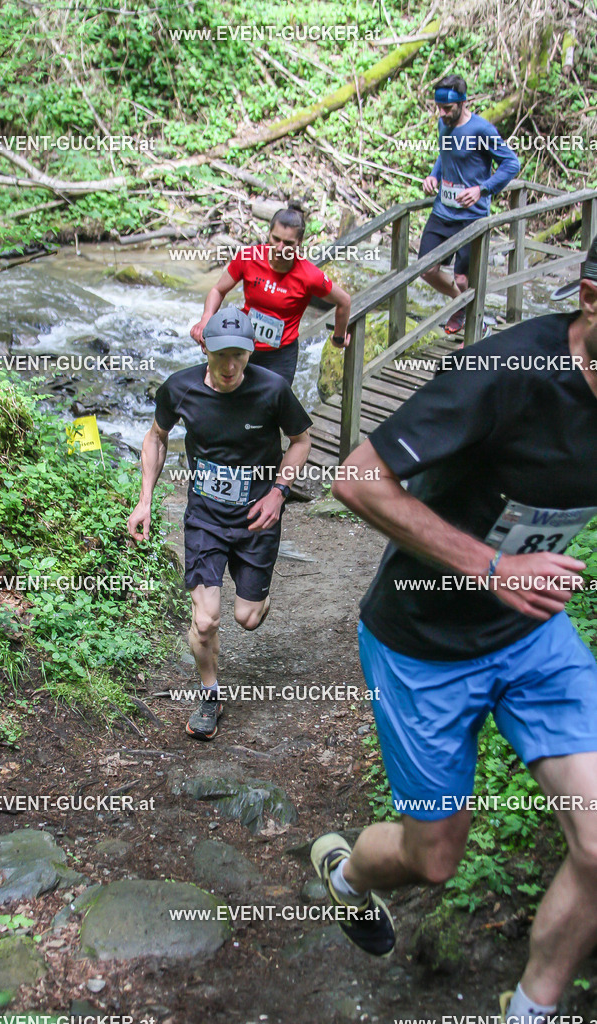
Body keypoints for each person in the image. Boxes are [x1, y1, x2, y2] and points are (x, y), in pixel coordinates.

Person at [311, 236, 597, 1023]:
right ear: (589, 299)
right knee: (431, 858)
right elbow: (356, 477)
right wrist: (493, 568)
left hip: (535, 639)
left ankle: (528, 1011)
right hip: (423, 645)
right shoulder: (504, 371)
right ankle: (346, 875)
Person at [127, 306, 312, 740]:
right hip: (206, 518)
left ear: (251, 353)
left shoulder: (273, 389)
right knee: (206, 621)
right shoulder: (180, 388)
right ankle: (210, 695)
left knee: (247, 617)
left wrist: (279, 492)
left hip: (257, 518)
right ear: (204, 348)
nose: (230, 366)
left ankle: (257, 598)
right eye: (221, 355)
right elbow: (156, 437)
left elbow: (301, 440)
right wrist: (144, 500)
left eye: (240, 355)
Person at [190, 203, 352, 384]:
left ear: (299, 242)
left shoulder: (310, 275)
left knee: (274, 400)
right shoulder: (248, 258)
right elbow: (218, 290)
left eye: (288, 243)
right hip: (242, 345)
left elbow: (344, 301)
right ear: (269, 234)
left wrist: (339, 337)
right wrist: (206, 318)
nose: (280, 248)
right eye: (276, 239)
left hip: (280, 356)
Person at [420, 74, 520, 335]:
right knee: (426, 269)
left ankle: (477, 328)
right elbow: (445, 154)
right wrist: (433, 176)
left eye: (447, 108)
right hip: (443, 211)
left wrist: (482, 189)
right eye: (438, 108)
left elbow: (511, 164)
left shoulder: (481, 130)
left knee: (463, 279)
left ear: (463, 103)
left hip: (471, 216)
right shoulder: (443, 124)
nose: (442, 114)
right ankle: (462, 306)